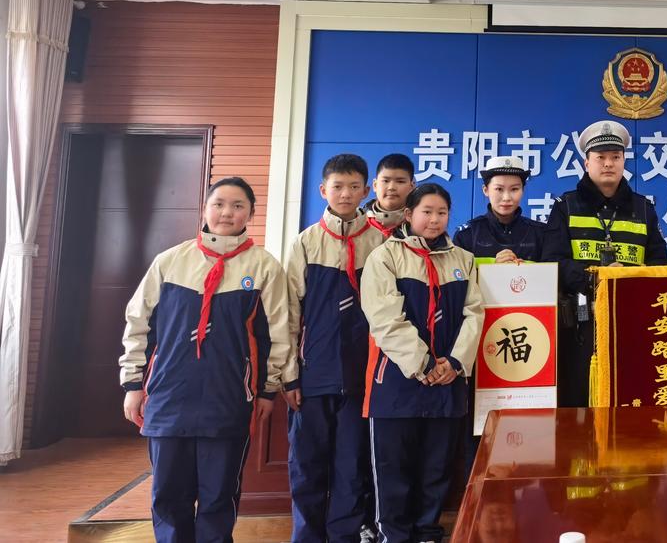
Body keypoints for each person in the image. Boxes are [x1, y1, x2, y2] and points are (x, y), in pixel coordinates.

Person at [119, 177, 291, 543]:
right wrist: (133, 383)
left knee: (218, 497)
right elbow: (138, 323)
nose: (227, 213)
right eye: (219, 204)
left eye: (238, 206)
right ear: (205, 209)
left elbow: (277, 334)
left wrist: (267, 390)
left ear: (251, 214)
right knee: (168, 495)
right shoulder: (169, 262)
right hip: (168, 398)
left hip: (228, 400)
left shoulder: (264, 267)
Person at [361, 183, 484, 543]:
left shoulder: (464, 260)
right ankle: (393, 535)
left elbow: (475, 314)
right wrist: (425, 363)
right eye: (426, 212)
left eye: (441, 212)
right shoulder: (385, 256)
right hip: (396, 382)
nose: (434, 219)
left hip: (448, 381)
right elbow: (385, 319)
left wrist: (455, 362)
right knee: (393, 468)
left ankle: (428, 532)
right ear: (408, 214)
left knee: (436, 467)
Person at [284, 153, 385, 543]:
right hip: (312, 375)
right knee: (306, 466)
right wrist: (288, 376)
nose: (345, 194)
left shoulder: (379, 242)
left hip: (363, 376)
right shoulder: (305, 243)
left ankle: (344, 536)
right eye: (338, 186)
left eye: (354, 186)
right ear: (323, 190)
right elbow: (288, 313)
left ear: (366, 190)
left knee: (352, 466)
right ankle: (306, 537)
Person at [540, 119, 667, 407]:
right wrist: (595, 276)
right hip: (580, 322)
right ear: (586, 163)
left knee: (633, 398)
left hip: (634, 319)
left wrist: (628, 277)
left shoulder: (644, 208)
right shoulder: (565, 206)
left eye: (615, 157)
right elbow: (552, 262)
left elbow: (661, 263)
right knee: (578, 402)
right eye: (600, 157)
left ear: (624, 162)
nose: (608, 164)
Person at [454, 155, 547, 262]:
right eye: (499, 189)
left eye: (514, 189)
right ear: (486, 190)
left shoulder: (540, 234)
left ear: (522, 190)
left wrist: (524, 269)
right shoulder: (467, 235)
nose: (506, 198)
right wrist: (494, 268)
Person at [364, 152, 416, 236]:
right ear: (375, 185)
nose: (391, 187)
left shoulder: (422, 224)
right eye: (386, 181)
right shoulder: (357, 221)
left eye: (400, 181)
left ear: (412, 187)